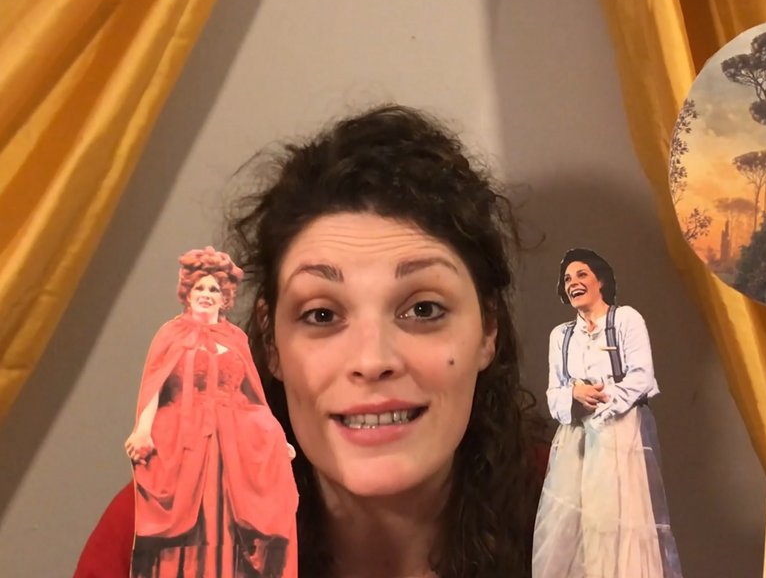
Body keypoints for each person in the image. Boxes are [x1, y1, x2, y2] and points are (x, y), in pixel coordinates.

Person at [75, 104, 544, 578]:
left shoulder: (581, 510)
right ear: (271, 342)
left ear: (488, 328)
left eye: (423, 310)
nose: (372, 360)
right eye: (321, 315)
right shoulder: (156, 529)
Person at [124, 246, 298, 578]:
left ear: (225, 296)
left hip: (232, 438)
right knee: (191, 515)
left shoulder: (235, 338)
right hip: (183, 436)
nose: (206, 294)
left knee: (230, 512)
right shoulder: (171, 333)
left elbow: (252, 395)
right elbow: (154, 384)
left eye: (214, 289)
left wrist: (277, 438)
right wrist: (143, 429)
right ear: (188, 292)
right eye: (200, 287)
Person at [531, 248, 682, 578]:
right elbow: (554, 393)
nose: (573, 283)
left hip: (620, 433)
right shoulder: (561, 336)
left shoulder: (625, 319)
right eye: (567, 279)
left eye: (582, 274)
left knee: (620, 520)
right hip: (575, 442)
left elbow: (642, 377)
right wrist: (574, 394)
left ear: (600, 281)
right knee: (575, 524)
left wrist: (603, 400)